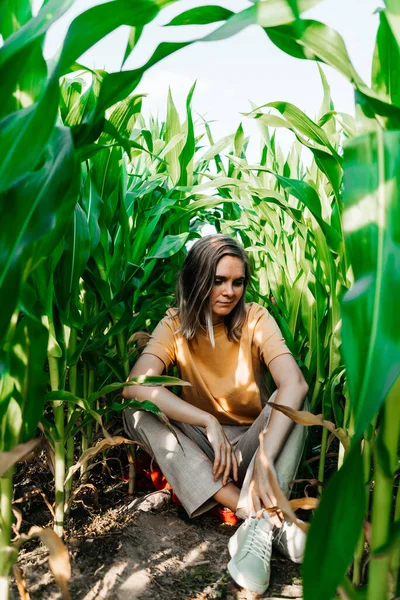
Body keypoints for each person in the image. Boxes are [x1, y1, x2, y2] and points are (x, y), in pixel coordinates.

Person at [122, 234, 309, 594]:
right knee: (136, 412)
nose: (230, 291)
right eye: (218, 280)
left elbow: (295, 384)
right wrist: (206, 421)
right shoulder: (174, 325)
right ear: (197, 280)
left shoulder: (255, 318)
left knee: (297, 407)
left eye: (237, 281)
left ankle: (258, 519)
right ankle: (262, 517)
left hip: (253, 447)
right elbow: (134, 385)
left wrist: (266, 457)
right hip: (202, 448)